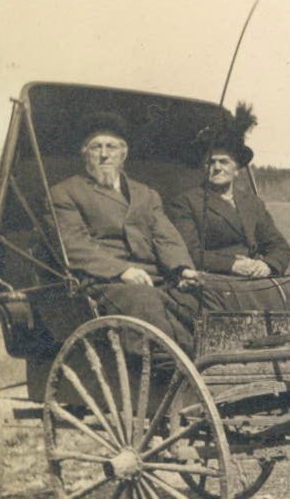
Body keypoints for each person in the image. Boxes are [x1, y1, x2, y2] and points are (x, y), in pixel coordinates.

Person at [49, 111, 206, 352]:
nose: (104, 155)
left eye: (111, 147)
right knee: (143, 301)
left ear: (124, 153)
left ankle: (206, 363)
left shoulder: (146, 194)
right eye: (96, 148)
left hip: (153, 277)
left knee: (199, 297)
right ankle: (166, 366)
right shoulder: (66, 192)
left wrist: (182, 269)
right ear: (85, 154)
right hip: (104, 281)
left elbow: (165, 237)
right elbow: (74, 243)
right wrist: (121, 270)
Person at [165, 102, 290, 312]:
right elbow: (188, 251)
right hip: (215, 280)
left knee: (284, 292)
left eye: (224, 162)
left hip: (254, 279)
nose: (217, 168)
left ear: (236, 170)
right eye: (211, 162)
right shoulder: (187, 202)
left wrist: (267, 265)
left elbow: (279, 246)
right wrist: (232, 265)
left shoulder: (252, 203)